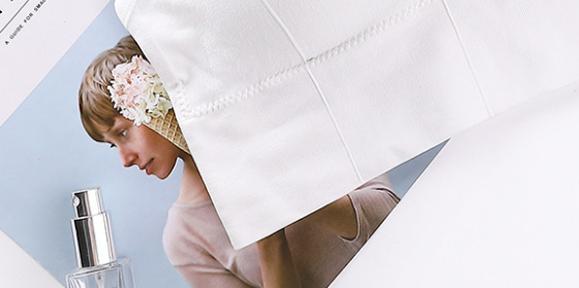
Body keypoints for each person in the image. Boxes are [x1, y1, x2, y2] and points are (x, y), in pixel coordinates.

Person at [78, 35, 400, 287]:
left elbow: (391, 212)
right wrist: (267, 238)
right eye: (112, 146)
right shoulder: (184, 238)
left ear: (159, 99)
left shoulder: (280, 122)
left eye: (123, 132)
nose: (124, 160)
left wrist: (284, 189)